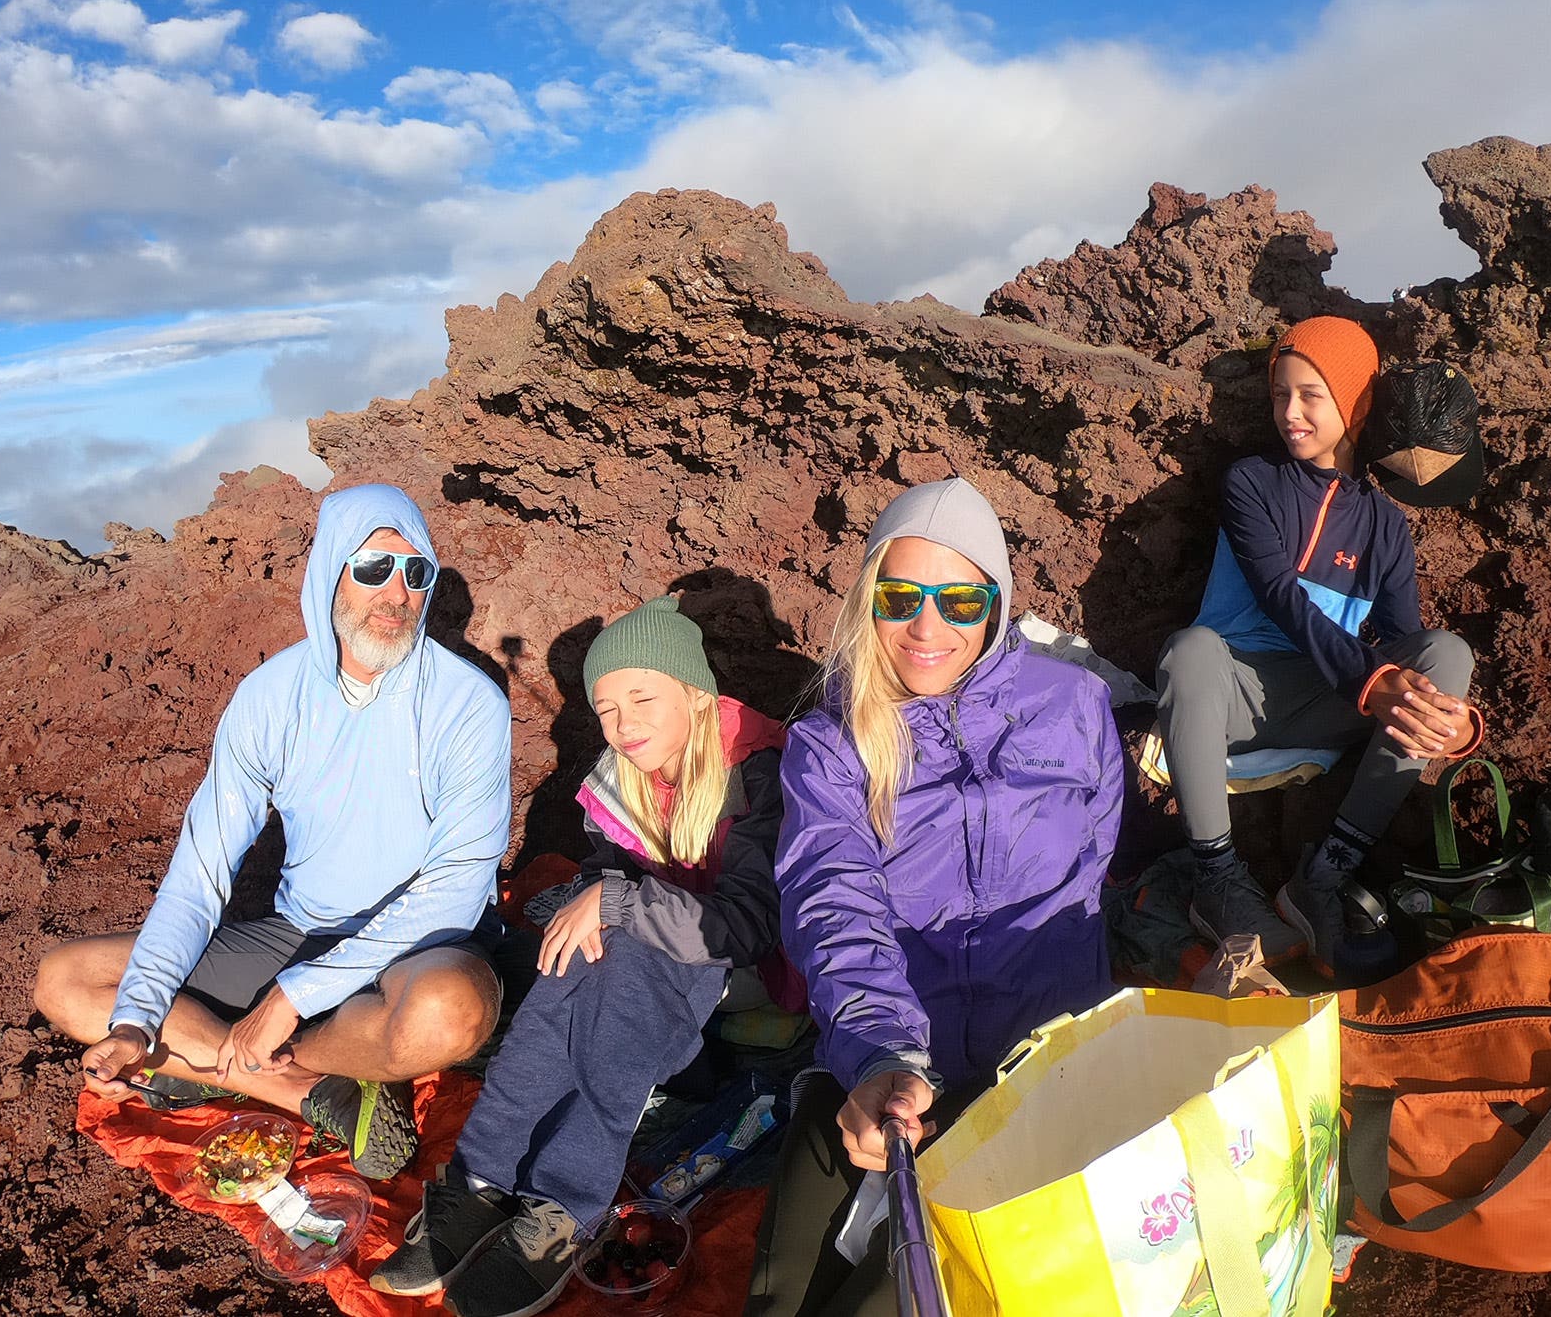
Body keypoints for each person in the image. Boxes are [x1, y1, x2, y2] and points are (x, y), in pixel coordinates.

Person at [30, 483, 513, 1180]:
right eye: (374, 568)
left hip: (416, 943)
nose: (397, 593)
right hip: (296, 932)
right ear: (330, 574)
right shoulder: (269, 697)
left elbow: (457, 887)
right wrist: (136, 1021)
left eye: (416, 573)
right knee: (64, 981)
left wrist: (290, 1002)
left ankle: (271, 1053)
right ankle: (311, 1089)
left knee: (449, 1015)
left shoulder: (469, 704)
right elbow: (200, 874)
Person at [750, 478, 1125, 1317]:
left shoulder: (1075, 706)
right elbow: (830, 895)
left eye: (959, 599)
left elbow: (1095, 864)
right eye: (901, 596)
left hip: (1042, 1075)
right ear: (866, 599)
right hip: (889, 1070)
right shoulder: (830, 742)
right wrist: (885, 1054)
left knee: (902, 1299)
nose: (928, 627)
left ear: (996, 605)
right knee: (783, 1300)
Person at [373, 595, 790, 1317]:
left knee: (620, 958)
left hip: (751, 965)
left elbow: (747, 926)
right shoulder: (628, 774)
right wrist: (601, 896)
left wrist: (619, 905)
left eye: (642, 697)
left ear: (694, 693)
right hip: (665, 938)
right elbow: (613, 868)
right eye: (605, 708)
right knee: (573, 954)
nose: (623, 725)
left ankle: (567, 1201)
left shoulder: (757, 776)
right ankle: (479, 1180)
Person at [1155, 315, 1482, 973]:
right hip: (1232, 694)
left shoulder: (1386, 526)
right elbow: (1284, 597)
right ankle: (1217, 878)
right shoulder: (1251, 483)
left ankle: (1324, 878)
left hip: (1323, 699)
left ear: (1355, 402)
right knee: (1188, 650)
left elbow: (1399, 643)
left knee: (1446, 655)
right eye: (1280, 394)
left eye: (1311, 395)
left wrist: (1450, 720)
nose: (1291, 413)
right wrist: (1374, 684)